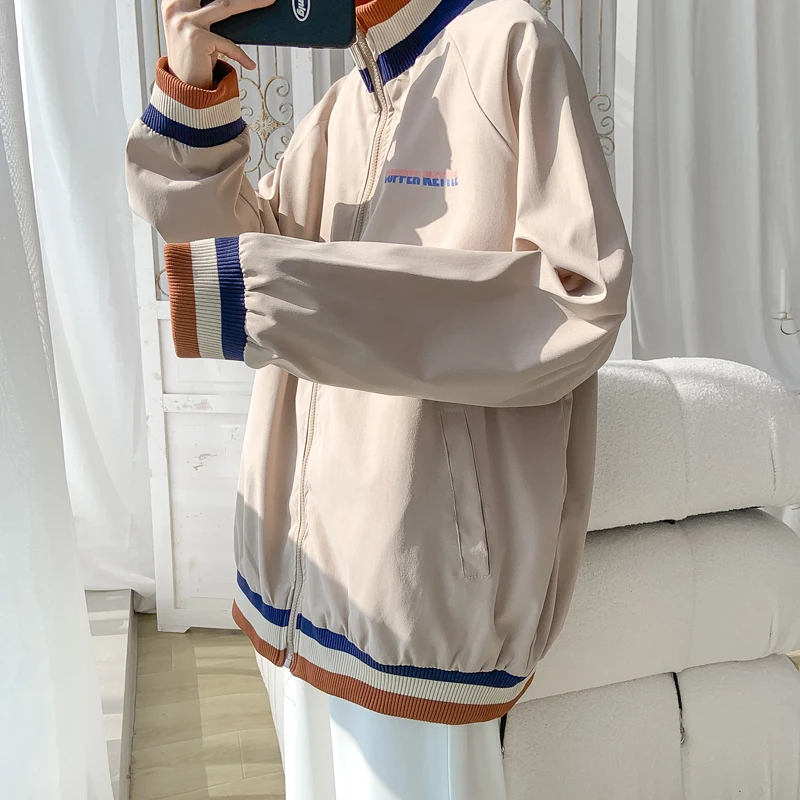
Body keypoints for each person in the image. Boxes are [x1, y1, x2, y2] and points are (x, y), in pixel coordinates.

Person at [126, 0, 632, 795]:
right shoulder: (341, 109)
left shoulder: (509, 46)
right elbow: (223, 249)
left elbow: (576, 302)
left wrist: (273, 293)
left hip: (422, 603)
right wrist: (194, 92)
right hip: (299, 584)